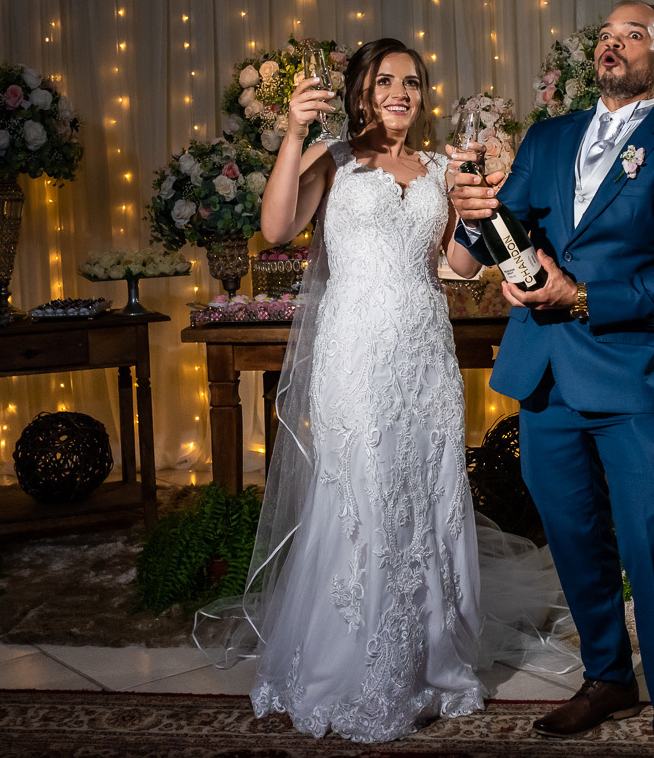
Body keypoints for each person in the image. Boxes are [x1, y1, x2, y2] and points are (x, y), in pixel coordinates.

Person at [198, 38, 495, 742]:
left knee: (429, 492)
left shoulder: (436, 167)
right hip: (355, 353)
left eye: (414, 82)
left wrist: (478, 211)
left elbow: (454, 268)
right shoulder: (332, 159)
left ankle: (430, 662)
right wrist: (296, 131)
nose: (402, 92)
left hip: (424, 351)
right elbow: (275, 229)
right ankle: (356, 666)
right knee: (363, 492)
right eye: (387, 80)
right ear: (360, 90)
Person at [449, 0, 654, 758]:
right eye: (605, 35)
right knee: (572, 542)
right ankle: (606, 675)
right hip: (543, 378)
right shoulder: (549, 135)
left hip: (628, 380)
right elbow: (507, 229)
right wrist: (477, 217)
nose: (612, 44)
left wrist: (586, 296)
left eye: (631, 36)